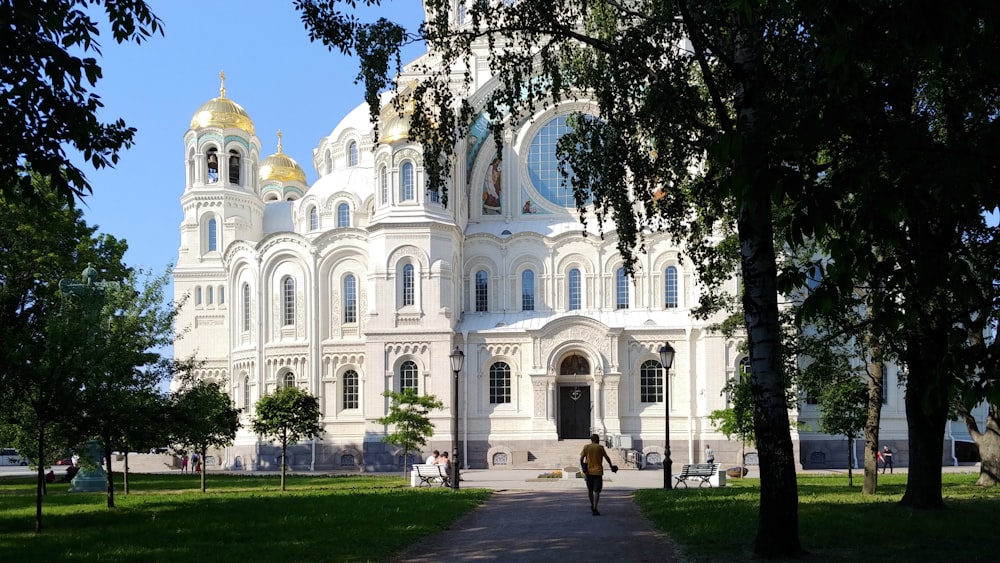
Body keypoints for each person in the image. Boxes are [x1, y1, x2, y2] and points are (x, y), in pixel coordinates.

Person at [580, 433, 618, 516]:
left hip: (588, 472)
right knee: (596, 491)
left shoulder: (586, 447)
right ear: (597, 439)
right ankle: (595, 507)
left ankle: (592, 504)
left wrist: (583, 467)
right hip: (598, 472)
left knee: (590, 490)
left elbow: (581, 458)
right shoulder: (600, 447)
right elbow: (606, 457)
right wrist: (611, 466)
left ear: (591, 440)